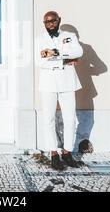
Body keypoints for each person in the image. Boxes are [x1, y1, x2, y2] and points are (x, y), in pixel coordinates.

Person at [35, 11, 84, 170]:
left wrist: (55, 53)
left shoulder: (69, 36)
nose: (50, 24)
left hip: (67, 82)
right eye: (47, 22)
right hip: (48, 83)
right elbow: (39, 62)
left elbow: (79, 52)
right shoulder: (39, 40)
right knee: (48, 119)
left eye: (53, 21)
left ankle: (67, 152)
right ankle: (54, 154)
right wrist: (65, 60)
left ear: (59, 20)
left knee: (70, 119)